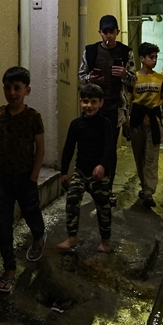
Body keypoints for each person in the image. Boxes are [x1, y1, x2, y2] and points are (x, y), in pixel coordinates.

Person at [0, 66, 47, 293]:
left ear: (27, 90)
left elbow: (40, 148)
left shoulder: (33, 117)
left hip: (25, 178)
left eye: (17, 88)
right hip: (2, 179)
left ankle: (39, 238)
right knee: (3, 225)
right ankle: (9, 269)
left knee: (32, 214)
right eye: (8, 88)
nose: (12, 93)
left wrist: (33, 176)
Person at [77, 14, 137, 205]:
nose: (108, 36)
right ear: (100, 32)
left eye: (112, 32)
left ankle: (108, 189)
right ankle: (88, 185)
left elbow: (134, 80)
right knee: (89, 146)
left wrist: (124, 74)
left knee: (109, 150)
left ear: (117, 32)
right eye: (105, 32)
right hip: (92, 108)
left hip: (113, 109)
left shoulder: (126, 52)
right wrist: (91, 80)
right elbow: (81, 76)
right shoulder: (91, 51)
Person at [58, 84, 115, 253]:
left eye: (93, 102)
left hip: (100, 175)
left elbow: (109, 148)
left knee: (103, 208)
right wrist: (63, 172)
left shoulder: (106, 124)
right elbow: (68, 148)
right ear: (80, 102)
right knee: (72, 201)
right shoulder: (76, 124)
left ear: (100, 103)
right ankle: (72, 238)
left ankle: (105, 242)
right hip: (80, 172)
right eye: (85, 101)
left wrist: (102, 165)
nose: (88, 105)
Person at [130, 42, 163, 207]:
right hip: (136, 123)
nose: (154, 60)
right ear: (142, 58)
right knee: (139, 157)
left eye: (156, 57)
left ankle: (149, 191)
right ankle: (144, 184)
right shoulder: (134, 78)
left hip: (154, 123)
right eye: (151, 57)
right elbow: (127, 100)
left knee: (151, 158)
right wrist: (126, 122)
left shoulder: (161, 79)